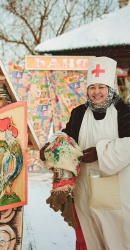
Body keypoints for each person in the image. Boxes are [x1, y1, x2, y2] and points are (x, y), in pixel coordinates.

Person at [40, 56, 130, 250]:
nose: (96, 92)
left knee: (117, 235)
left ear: (110, 87)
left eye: (101, 87)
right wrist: (50, 147)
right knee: (89, 236)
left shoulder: (124, 112)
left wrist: (100, 152)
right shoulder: (79, 113)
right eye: (92, 87)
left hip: (117, 190)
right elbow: (67, 137)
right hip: (84, 189)